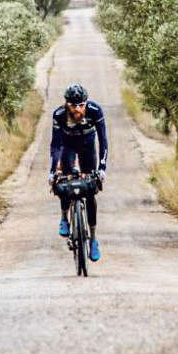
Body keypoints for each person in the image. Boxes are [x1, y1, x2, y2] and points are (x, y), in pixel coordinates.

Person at [48, 83, 108, 261]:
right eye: (73, 105)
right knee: (65, 182)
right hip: (68, 146)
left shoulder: (95, 110)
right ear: (66, 104)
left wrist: (102, 168)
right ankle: (64, 217)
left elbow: (103, 141)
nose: (77, 109)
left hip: (87, 146)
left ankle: (93, 239)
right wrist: (53, 171)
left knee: (90, 190)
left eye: (81, 105)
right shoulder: (59, 115)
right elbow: (56, 145)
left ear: (86, 103)